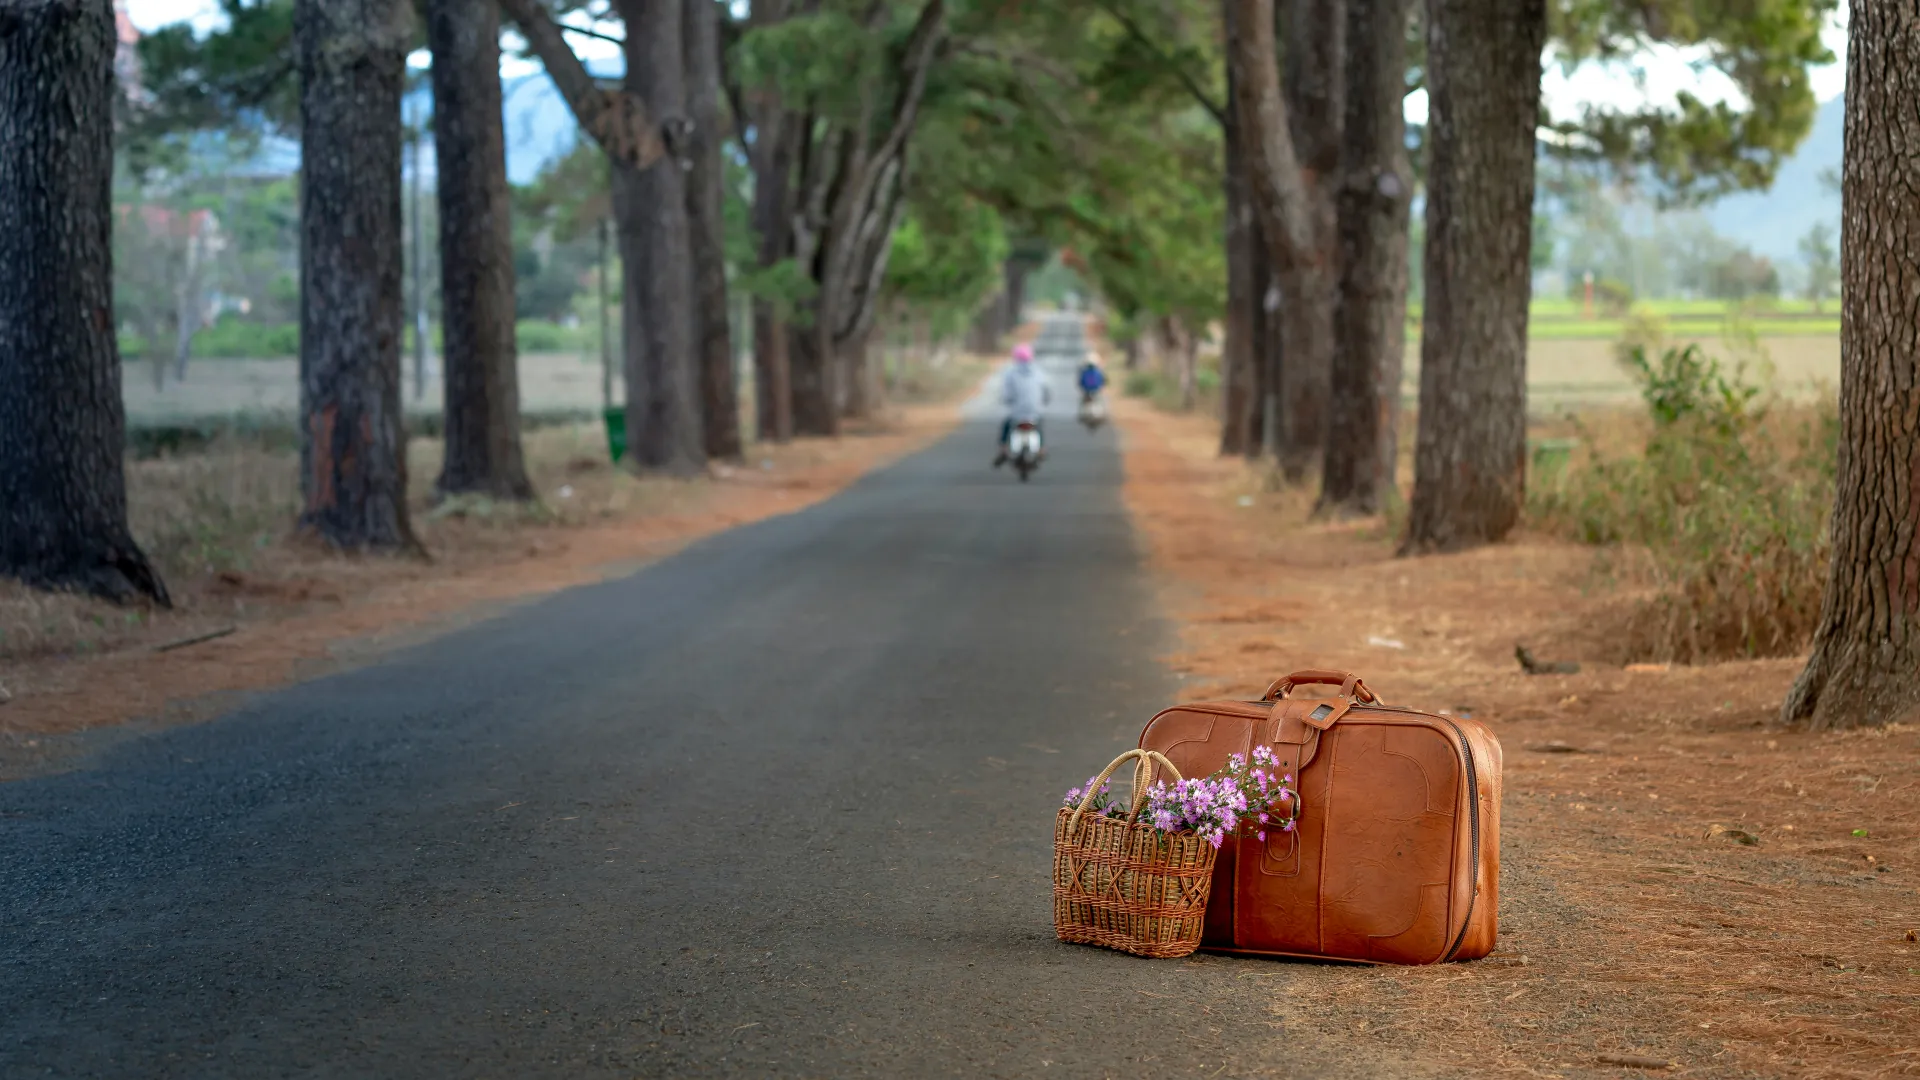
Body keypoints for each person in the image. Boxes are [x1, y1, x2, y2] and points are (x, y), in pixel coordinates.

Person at [995, 343, 1050, 467]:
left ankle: (1003, 449)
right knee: (1039, 424)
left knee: (1007, 425)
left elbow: (1006, 394)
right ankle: (1041, 449)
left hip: (1017, 412)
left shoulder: (1010, 373)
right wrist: (1043, 401)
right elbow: (1045, 391)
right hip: (1034, 411)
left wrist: (1006, 400)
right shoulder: (1038, 372)